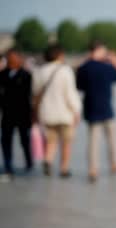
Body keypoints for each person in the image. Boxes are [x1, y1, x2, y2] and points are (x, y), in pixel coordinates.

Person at [76, 41, 116, 183]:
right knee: (112, 139)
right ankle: (114, 163)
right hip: (106, 107)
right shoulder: (107, 67)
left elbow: (79, 86)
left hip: (91, 107)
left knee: (93, 141)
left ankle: (92, 169)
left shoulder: (83, 67)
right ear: (98, 50)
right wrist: (115, 61)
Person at [33, 44, 82, 177]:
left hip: (46, 112)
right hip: (64, 113)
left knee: (51, 140)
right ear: (60, 55)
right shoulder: (65, 71)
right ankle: (64, 168)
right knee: (66, 142)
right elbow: (70, 93)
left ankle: (48, 160)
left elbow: (35, 93)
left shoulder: (39, 71)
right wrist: (76, 110)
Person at [0, 48, 33, 182]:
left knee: (24, 140)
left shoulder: (26, 75)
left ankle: (28, 161)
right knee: (6, 140)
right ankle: (8, 164)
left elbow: (29, 96)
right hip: (7, 113)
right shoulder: (2, 75)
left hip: (22, 113)